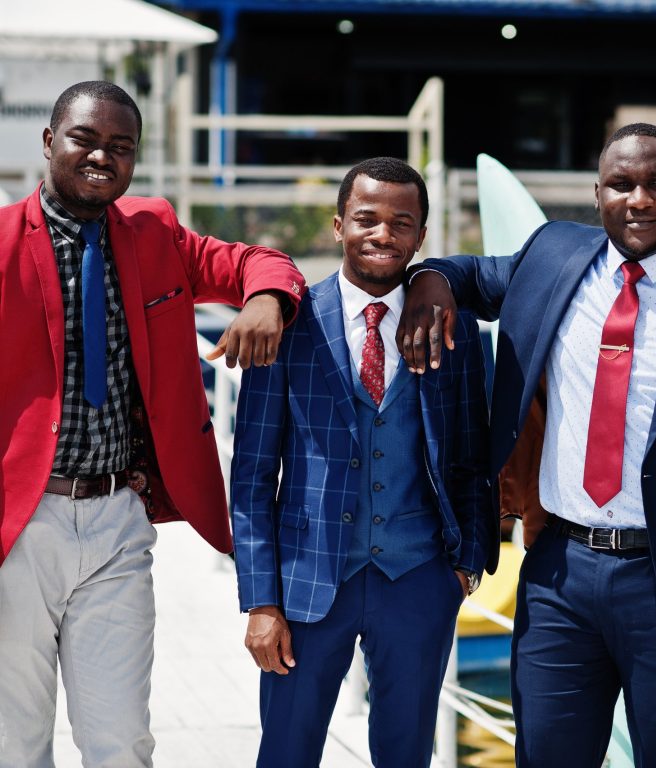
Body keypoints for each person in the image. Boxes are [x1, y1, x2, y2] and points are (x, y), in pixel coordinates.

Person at [397, 123, 656, 768]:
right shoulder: (551, 256)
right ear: (597, 194)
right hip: (559, 575)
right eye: (622, 184)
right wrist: (429, 275)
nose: (639, 199)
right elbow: (471, 275)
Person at [0, 80, 305, 768]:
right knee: (13, 743)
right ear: (50, 143)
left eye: (121, 146)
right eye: (85, 139)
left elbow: (262, 263)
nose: (102, 156)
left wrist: (266, 302)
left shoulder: (154, 230)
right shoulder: (0, 242)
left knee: (121, 741)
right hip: (19, 525)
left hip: (117, 520)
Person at [230, 156, 498, 767]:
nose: (383, 234)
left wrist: (465, 567)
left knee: (406, 756)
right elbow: (249, 480)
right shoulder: (288, 327)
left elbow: (471, 454)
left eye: (401, 223)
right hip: (306, 587)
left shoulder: (455, 334)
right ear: (338, 226)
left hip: (420, 580)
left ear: (422, 237)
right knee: (287, 753)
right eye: (366, 219)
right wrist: (261, 601)